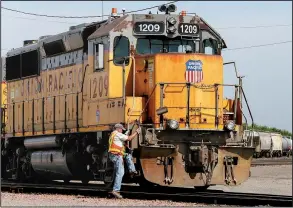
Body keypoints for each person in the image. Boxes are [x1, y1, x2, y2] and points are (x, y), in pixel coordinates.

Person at [108, 123, 140, 199]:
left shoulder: (113, 134)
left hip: (114, 155)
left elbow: (119, 142)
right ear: (118, 129)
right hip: (117, 155)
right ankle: (116, 190)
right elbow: (129, 138)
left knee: (128, 155)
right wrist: (136, 132)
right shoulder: (118, 134)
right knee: (120, 173)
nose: (122, 130)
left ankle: (132, 170)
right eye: (121, 129)